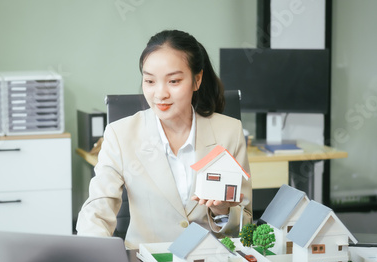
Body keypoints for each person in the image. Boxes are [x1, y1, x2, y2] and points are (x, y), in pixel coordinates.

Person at [77, 30, 252, 249]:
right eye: (150, 81)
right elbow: (97, 211)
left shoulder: (229, 132)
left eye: (174, 81)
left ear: (197, 80)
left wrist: (222, 212)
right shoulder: (120, 135)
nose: (160, 94)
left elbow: (245, 222)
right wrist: (95, 257)